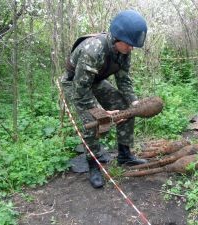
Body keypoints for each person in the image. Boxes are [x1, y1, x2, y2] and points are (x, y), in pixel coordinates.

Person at [62, 10, 148, 188]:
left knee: (125, 107)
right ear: (117, 38)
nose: (131, 48)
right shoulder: (93, 50)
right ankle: (94, 164)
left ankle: (124, 155)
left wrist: (135, 103)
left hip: (96, 80)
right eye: (129, 44)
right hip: (75, 84)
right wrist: (100, 111)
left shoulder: (124, 50)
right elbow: (81, 89)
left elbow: (123, 79)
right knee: (92, 119)